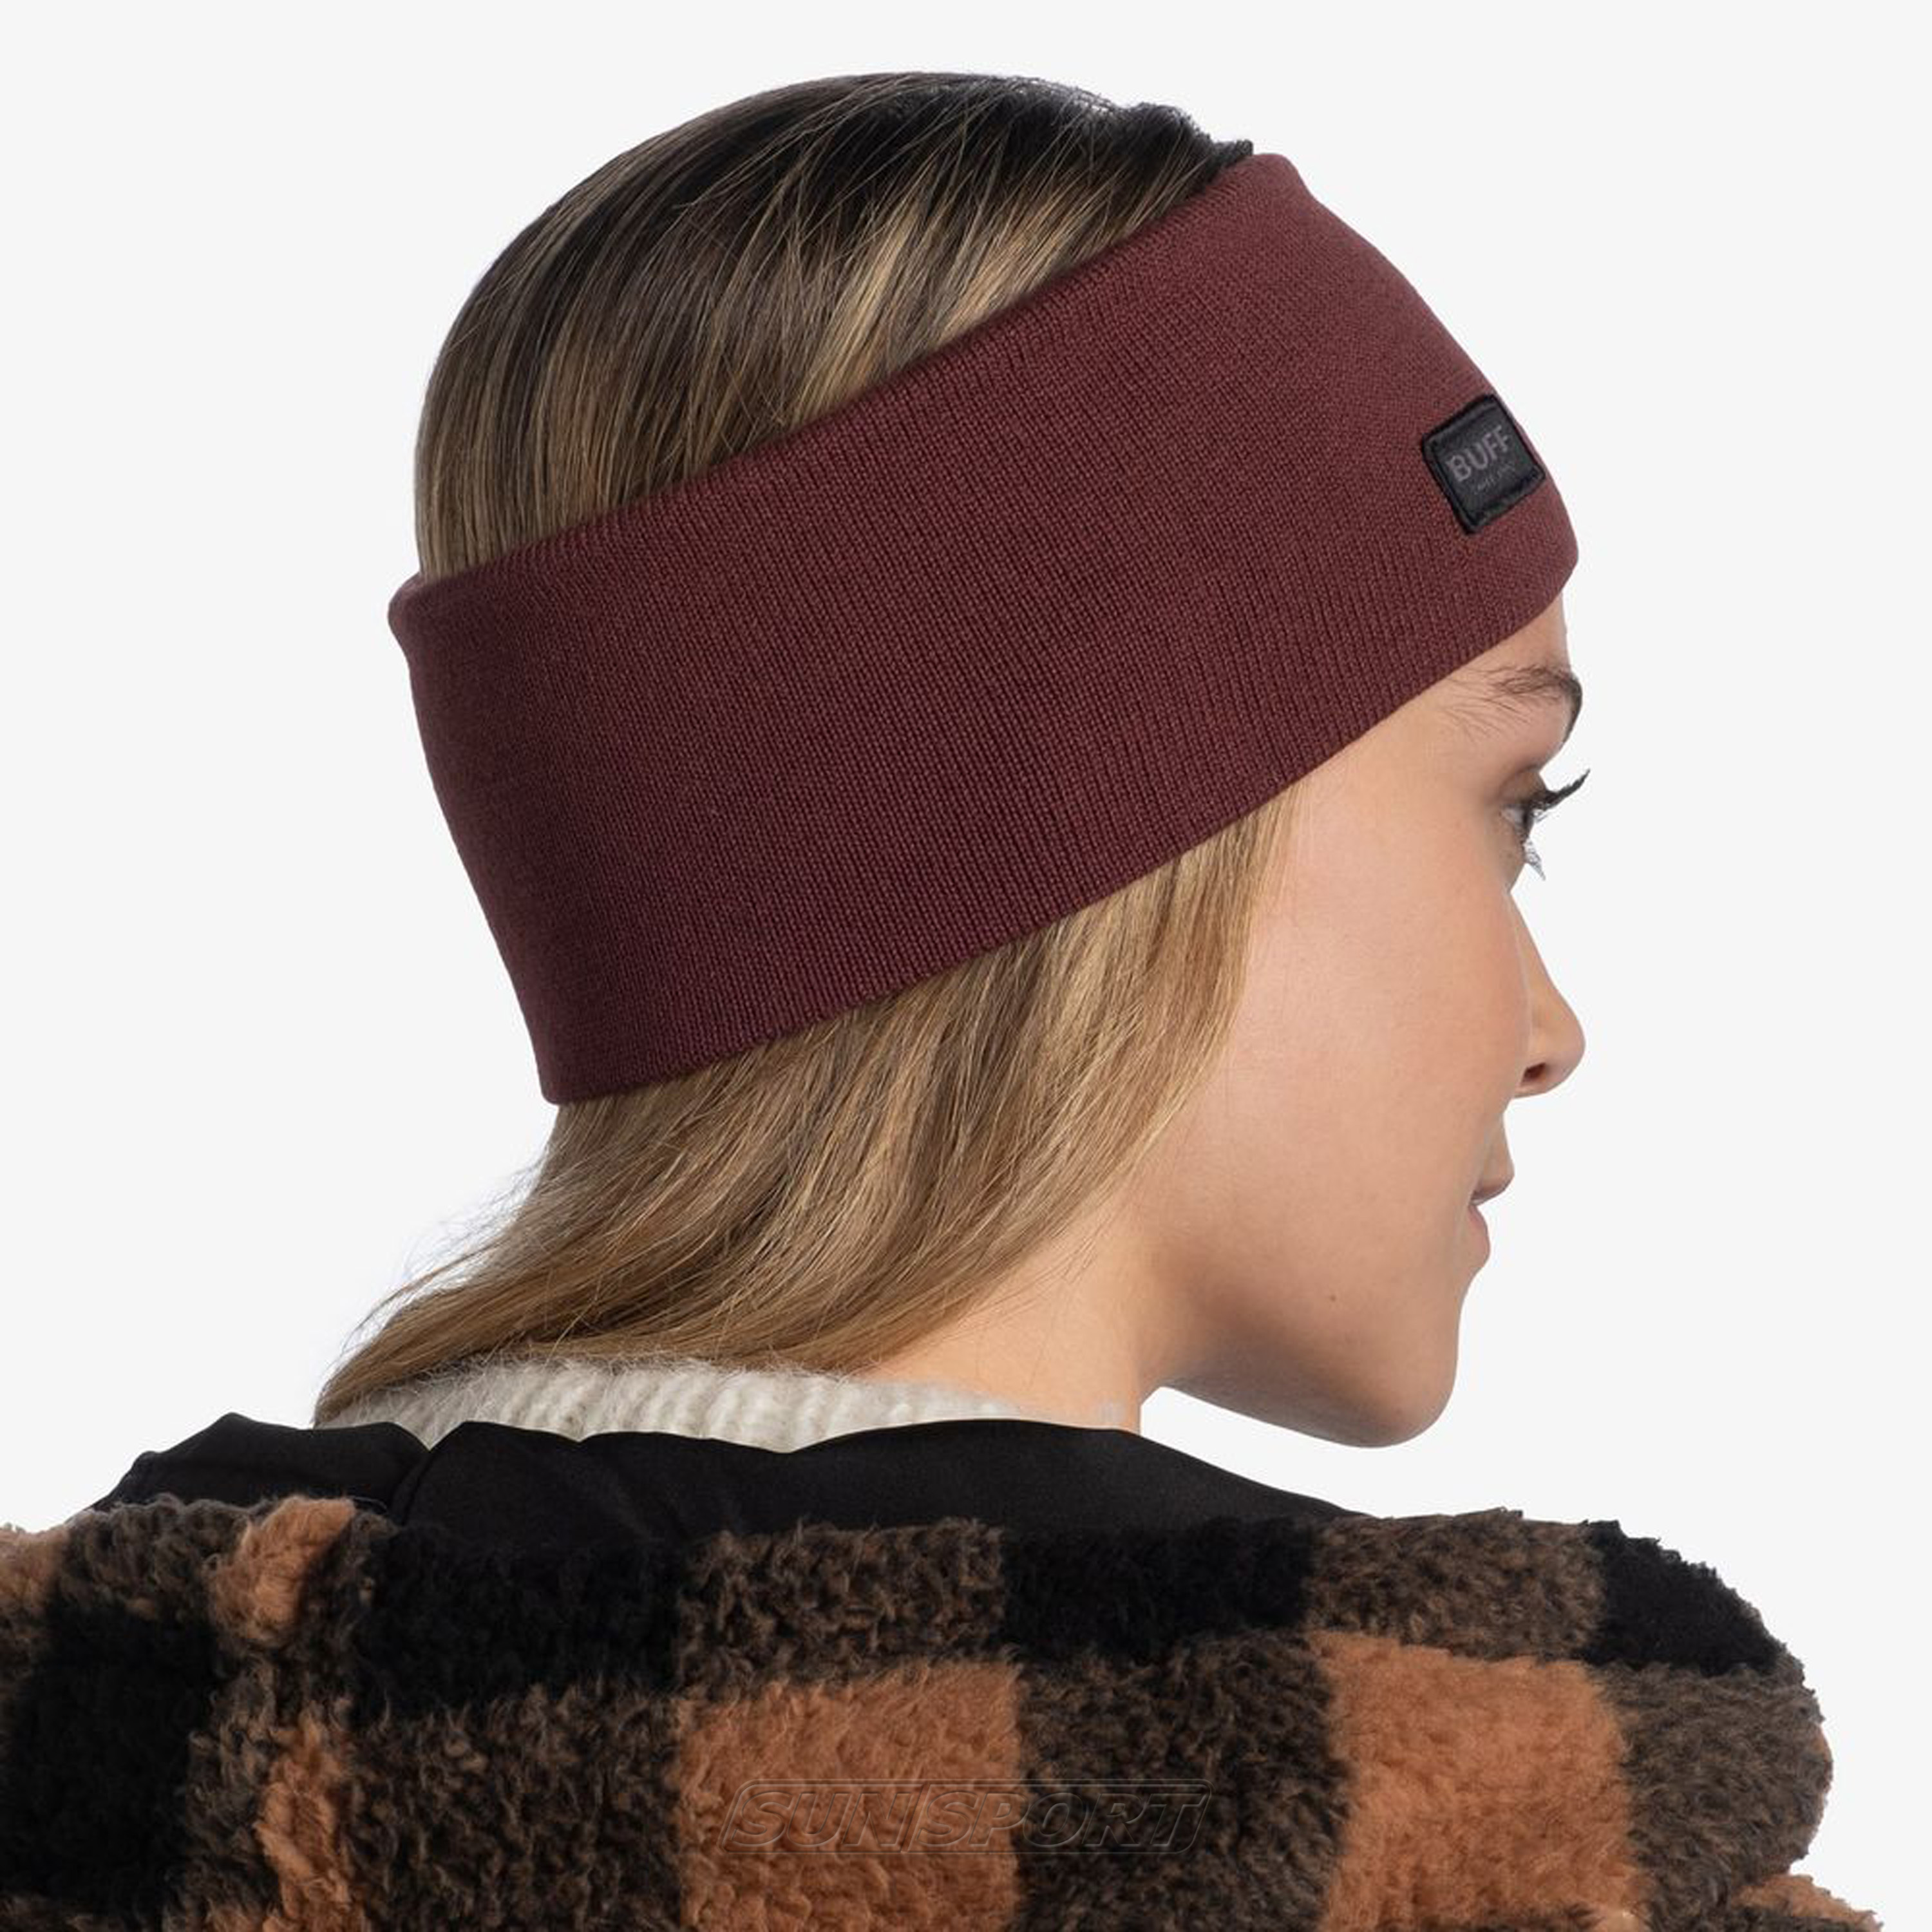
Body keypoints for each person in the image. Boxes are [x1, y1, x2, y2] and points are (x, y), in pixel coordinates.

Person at [0, 72, 1880, 1931]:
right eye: (1516, 806)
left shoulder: (109, 1739)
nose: (1553, 1033)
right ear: (1120, 826)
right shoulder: (1515, 1838)